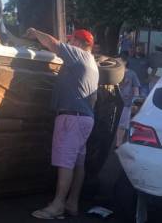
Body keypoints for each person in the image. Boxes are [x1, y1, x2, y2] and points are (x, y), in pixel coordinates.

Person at [25, 28, 99, 220]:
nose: (69, 43)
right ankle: (72, 203)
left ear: (80, 42)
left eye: (71, 40)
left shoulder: (78, 55)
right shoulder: (93, 64)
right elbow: (94, 99)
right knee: (78, 163)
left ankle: (57, 205)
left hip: (71, 117)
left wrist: (35, 32)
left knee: (65, 162)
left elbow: (52, 43)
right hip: (85, 118)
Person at [116, 53, 140, 147]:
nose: (117, 62)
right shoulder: (114, 73)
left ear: (125, 62)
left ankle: (119, 144)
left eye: (119, 61)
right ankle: (120, 143)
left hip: (126, 103)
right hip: (115, 103)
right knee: (121, 124)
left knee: (123, 125)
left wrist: (135, 102)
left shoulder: (131, 73)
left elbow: (136, 88)